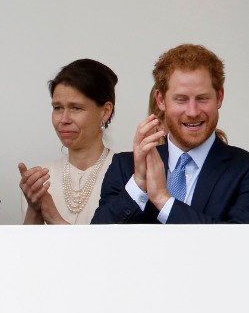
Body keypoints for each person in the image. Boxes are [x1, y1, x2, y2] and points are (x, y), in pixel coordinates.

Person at [93, 43, 249, 224]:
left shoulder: (243, 169)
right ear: (160, 100)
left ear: (219, 97)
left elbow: (236, 244)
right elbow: (97, 238)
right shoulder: (125, 166)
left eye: (202, 98)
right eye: (181, 100)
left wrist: (163, 200)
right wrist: (138, 183)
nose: (192, 111)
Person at [17, 59, 117, 224]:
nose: (64, 119)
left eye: (76, 108)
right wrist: (35, 209)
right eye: (57, 108)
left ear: (105, 111)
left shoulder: (126, 174)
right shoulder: (40, 179)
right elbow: (29, 247)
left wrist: (53, 216)